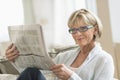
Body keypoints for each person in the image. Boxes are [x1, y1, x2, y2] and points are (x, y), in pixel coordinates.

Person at [5, 9, 114, 80]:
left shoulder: (104, 60)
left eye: (83, 28)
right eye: (74, 30)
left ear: (95, 29)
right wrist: (15, 59)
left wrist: (70, 76)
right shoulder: (64, 56)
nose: (78, 34)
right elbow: (34, 76)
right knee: (31, 72)